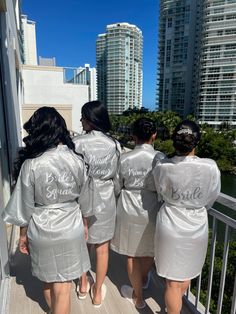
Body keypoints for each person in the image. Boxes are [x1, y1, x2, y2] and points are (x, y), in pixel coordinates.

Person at [2, 107, 95, 314]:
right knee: (62, 287)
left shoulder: (31, 164)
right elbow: (86, 200)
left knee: (47, 280)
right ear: (60, 129)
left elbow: (23, 206)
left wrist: (22, 235)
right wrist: (85, 224)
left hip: (41, 228)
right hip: (71, 226)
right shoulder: (77, 160)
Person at [153, 120, 221, 314]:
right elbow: (212, 196)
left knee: (173, 283)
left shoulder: (162, 167)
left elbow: (160, 193)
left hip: (170, 225)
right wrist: (197, 207)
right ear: (196, 141)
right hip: (197, 226)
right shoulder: (210, 167)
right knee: (186, 275)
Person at [110, 117, 165, 309]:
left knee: (131, 254)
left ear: (133, 136)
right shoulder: (161, 158)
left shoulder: (124, 158)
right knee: (150, 249)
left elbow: (116, 186)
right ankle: (142, 279)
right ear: (154, 135)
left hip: (127, 207)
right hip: (152, 207)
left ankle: (138, 297)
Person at [73, 101, 121, 307]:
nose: (81, 120)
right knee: (102, 248)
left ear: (91, 119)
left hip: (81, 196)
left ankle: (83, 284)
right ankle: (97, 292)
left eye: (83, 117)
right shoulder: (114, 145)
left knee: (81, 243)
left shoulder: (77, 142)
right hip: (106, 197)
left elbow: (73, 173)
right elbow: (117, 177)